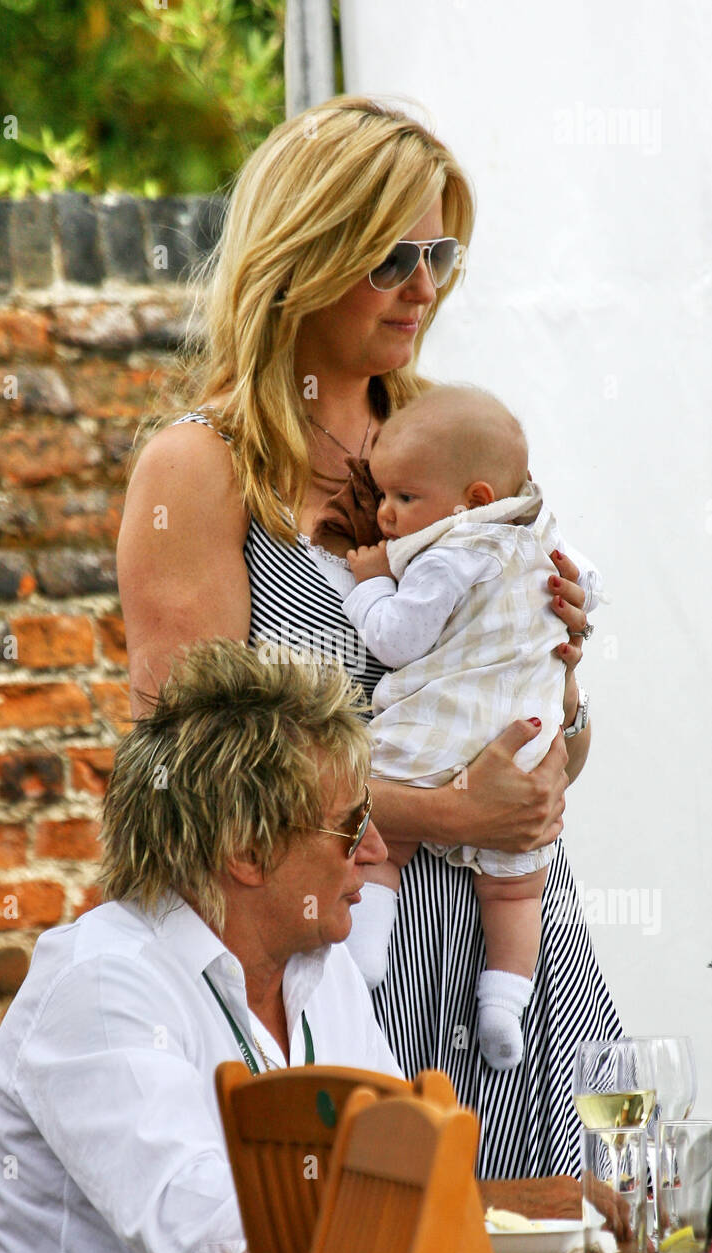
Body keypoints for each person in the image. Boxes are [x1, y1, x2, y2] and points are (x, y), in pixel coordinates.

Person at [116, 94, 621, 1178]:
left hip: (512, 949)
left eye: (440, 252)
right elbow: (185, 776)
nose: (424, 285)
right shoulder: (200, 470)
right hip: (339, 953)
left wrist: (559, 694)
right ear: (303, 251)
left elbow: (548, 742)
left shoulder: (448, 433)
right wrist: (446, 808)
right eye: (393, 253)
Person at [0, 640, 401, 1253]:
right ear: (248, 852)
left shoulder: (322, 966)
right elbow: (183, 1216)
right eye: (351, 823)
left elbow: (403, 1143)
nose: (375, 850)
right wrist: (397, 1197)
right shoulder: (103, 982)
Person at [338, 383, 603, 1072]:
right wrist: (571, 619)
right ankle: (503, 1002)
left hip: (438, 736)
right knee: (516, 889)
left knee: (382, 841)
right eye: (380, 495)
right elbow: (589, 583)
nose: (385, 514)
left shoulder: (449, 554)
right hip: (521, 740)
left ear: (475, 500)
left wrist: (368, 582)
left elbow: (396, 640)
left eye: (401, 498)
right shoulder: (540, 537)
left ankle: (367, 950)